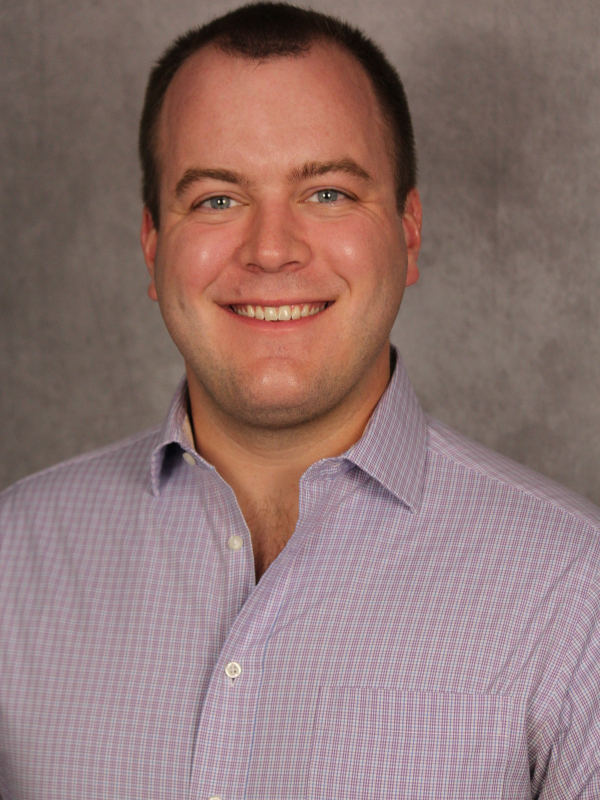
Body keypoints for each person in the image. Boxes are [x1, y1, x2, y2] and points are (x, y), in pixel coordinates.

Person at [1, 2, 599, 797]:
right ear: (152, 245)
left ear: (408, 231)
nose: (272, 250)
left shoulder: (574, 590)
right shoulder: (13, 558)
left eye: (328, 193)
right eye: (216, 199)